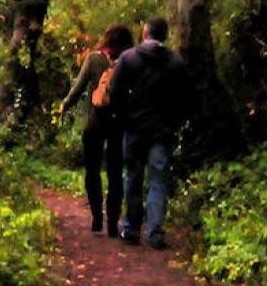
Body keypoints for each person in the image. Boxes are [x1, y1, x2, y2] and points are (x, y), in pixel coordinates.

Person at [108, 16, 191, 249]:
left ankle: (131, 229)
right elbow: (186, 97)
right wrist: (175, 122)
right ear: (164, 36)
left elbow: (114, 92)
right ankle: (155, 233)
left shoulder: (129, 58)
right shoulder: (176, 63)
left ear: (145, 33)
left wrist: (122, 116)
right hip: (162, 132)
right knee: (158, 181)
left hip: (134, 128)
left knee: (132, 176)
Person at [58, 24, 135, 236]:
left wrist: (64, 106)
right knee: (115, 172)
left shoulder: (94, 58)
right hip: (119, 123)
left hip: (94, 122)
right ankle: (112, 223)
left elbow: (78, 87)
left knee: (92, 170)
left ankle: (96, 217)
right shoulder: (128, 61)